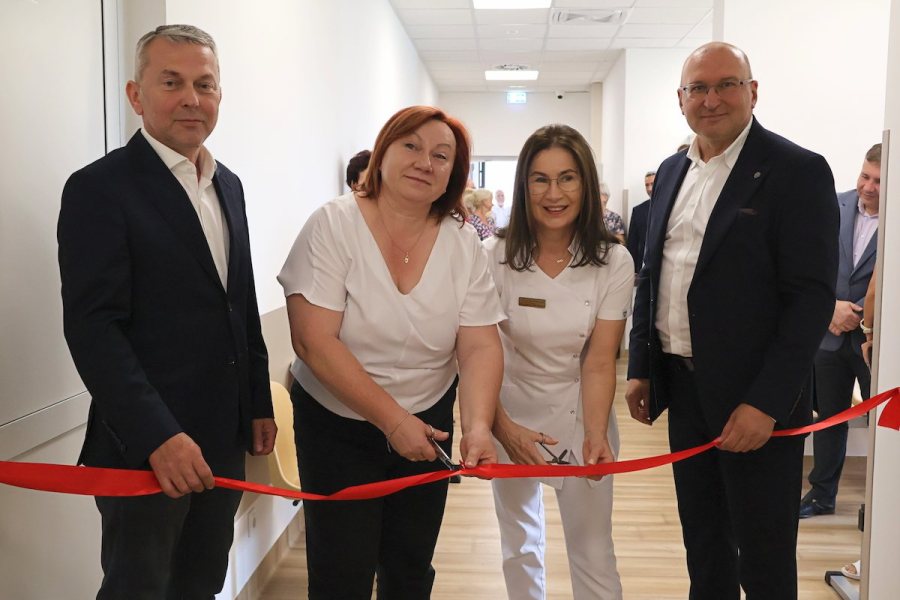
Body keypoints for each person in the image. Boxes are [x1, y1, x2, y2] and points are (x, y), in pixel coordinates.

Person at [57, 24, 276, 598]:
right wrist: (158, 435)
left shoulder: (228, 186)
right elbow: (93, 328)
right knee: (139, 588)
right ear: (137, 95)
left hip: (222, 439)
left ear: (220, 94)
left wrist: (257, 401)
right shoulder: (99, 188)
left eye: (205, 84)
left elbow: (240, 302)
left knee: (199, 584)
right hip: (144, 448)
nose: (191, 99)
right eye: (171, 82)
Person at [625, 42, 838, 600]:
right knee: (705, 548)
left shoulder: (796, 171)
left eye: (726, 84)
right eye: (698, 88)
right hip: (684, 391)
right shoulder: (672, 171)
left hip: (756, 400)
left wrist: (766, 402)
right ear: (680, 99)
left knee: (764, 557)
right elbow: (654, 274)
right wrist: (642, 366)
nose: (711, 99)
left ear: (753, 91)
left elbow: (810, 300)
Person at [277, 105, 503, 598]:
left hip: (429, 420)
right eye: (411, 146)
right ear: (382, 153)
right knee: (342, 573)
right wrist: (393, 421)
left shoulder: (463, 242)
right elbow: (313, 340)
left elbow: (480, 344)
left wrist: (478, 425)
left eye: (441, 155)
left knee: (409, 566)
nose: (425, 162)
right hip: (336, 422)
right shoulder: (333, 224)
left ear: (453, 174)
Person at [487, 124, 633, 599]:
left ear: (586, 185)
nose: (554, 194)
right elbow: (480, 353)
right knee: (518, 545)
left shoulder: (613, 262)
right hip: (508, 412)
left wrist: (596, 434)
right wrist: (500, 427)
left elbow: (599, 361)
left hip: (582, 412)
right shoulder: (493, 257)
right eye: (541, 179)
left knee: (593, 552)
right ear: (523, 185)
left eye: (567, 178)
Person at [800, 143, 881, 518]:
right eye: (865, 176)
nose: (868, 187)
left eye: (878, 181)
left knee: (881, 423)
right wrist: (830, 307)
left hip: (874, 341)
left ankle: (880, 501)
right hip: (829, 333)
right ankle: (821, 495)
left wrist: (861, 313)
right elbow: (810, 262)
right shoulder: (834, 205)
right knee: (829, 418)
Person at [626, 170, 656, 273]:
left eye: (652, 184)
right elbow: (632, 244)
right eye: (647, 185)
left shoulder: (671, 208)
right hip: (642, 268)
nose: (649, 188)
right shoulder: (638, 211)